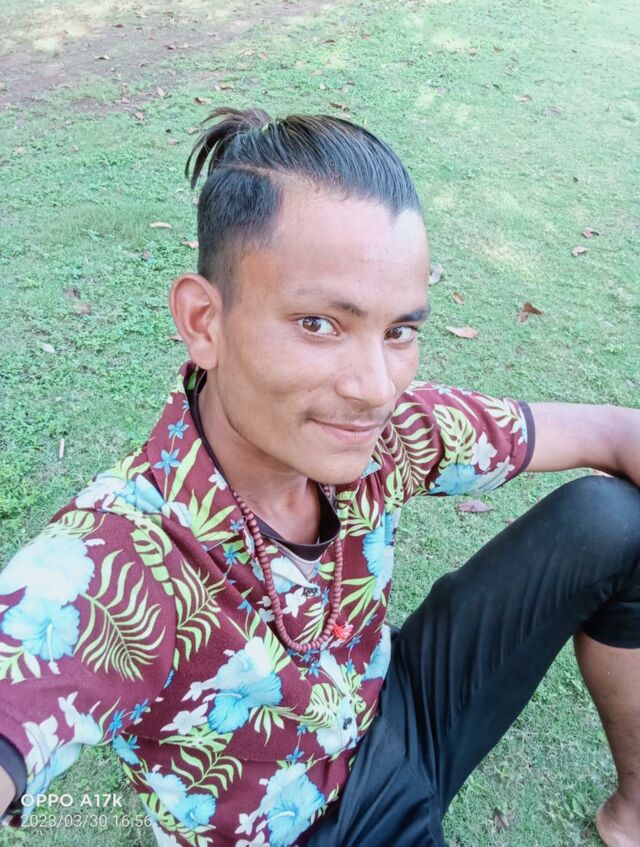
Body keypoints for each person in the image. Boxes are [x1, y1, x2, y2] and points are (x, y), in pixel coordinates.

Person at [0, 107, 638, 847]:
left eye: (399, 331)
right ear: (204, 321)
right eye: (319, 324)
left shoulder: (388, 434)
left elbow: (611, 433)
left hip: (397, 712)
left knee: (611, 520)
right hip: (298, 832)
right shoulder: (119, 563)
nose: (376, 387)